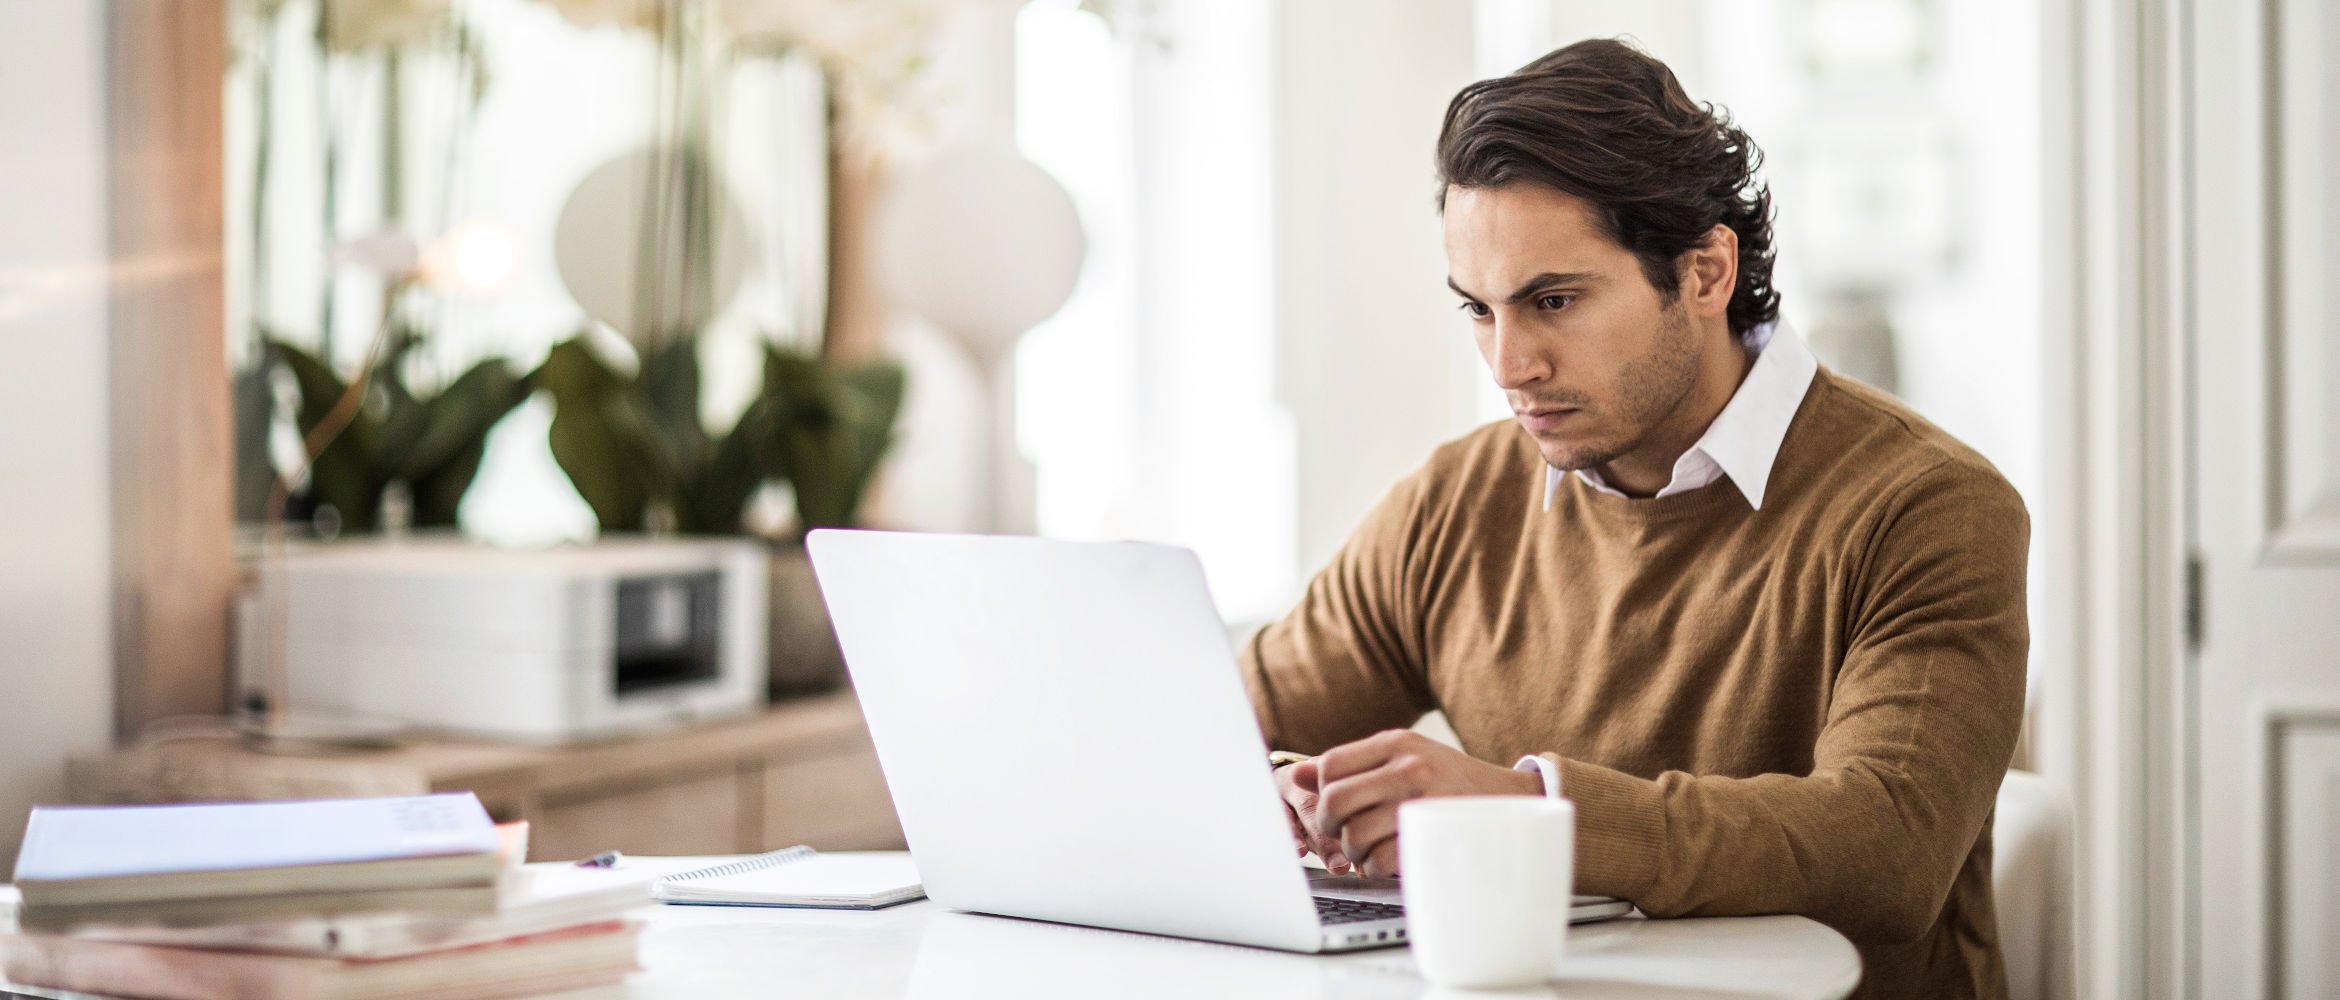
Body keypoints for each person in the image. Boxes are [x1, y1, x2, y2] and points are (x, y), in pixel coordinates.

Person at [1243, 38, 2026, 1000]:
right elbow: (1234, 721)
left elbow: (1886, 848)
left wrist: (1525, 805)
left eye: (1554, 300)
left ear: (1704, 273)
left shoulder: (1927, 506)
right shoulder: (1455, 501)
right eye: (1480, 310)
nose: (1508, 363)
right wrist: (1283, 789)